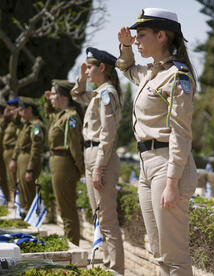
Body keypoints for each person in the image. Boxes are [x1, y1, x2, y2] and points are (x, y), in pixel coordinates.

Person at [117, 8, 197, 275]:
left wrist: (173, 181)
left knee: (174, 255)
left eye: (141, 35)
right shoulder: (150, 73)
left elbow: (181, 132)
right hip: (146, 166)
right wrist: (125, 47)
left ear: (161, 35)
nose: (137, 41)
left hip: (168, 167)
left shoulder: (177, 76)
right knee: (158, 251)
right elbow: (126, 67)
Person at [71, 48, 124, 274]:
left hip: (101, 157)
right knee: (100, 219)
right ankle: (108, 265)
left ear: (102, 68)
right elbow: (76, 95)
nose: (87, 70)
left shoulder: (106, 93)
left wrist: (99, 167)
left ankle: (115, 269)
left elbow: (108, 134)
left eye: (90, 66)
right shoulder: (97, 92)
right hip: (91, 155)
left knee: (107, 220)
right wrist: (82, 78)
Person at [44, 80, 84, 246]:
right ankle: (70, 243)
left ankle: (72, 246)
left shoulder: (71, 117)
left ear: (63, 96)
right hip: (57, 162)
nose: (51, 97)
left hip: (65, 164)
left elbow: (75, 146)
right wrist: (46, 100)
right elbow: (48, 114)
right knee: (63, 207)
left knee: (67, 209)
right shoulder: (60, 115)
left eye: (54, 94)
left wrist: (81, 169)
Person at [9, 97, 45, 216]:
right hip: (22, 159)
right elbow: (19, 144)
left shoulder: (35, 126)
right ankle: (26, 213)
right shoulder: (26, 125)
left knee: (29, 191)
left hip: (29, 159)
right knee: (22, 189)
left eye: (22, 109)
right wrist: (14, 159)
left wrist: (30, 168)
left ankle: (33, 216)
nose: (19, 112)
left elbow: (36, 148)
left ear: (29, 109)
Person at [2, 98, 22, 204]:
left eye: (12, 108)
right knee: (10, 178)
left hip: (13, 151)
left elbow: (18, 121)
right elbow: (2, 126)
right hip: (7, 151)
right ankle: (15, 201)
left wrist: (15, 113)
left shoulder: (17, 120)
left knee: (15, 178)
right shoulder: (8, 121)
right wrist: (6, 117)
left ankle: (19, 203)